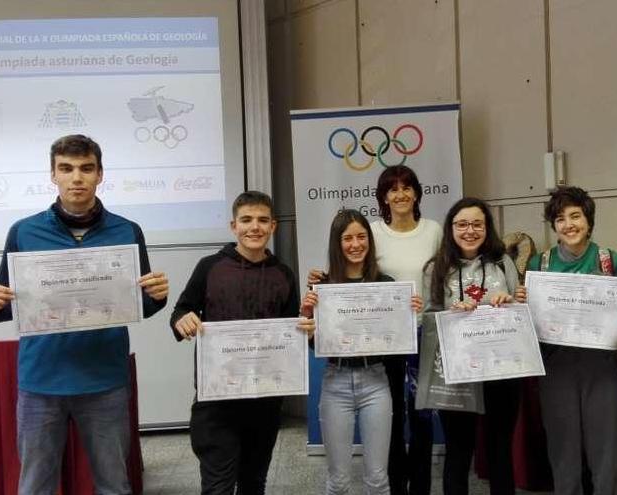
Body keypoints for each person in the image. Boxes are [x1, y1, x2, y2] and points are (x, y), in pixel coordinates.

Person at [0, 134, 170, 494]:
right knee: (35, 486)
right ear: (53, 175)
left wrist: (157, 298)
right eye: (66, 169)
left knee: (114, 485)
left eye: (86, 168)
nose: (76, 177)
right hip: (41, 381)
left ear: (100, 174)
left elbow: (139, 302)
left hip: (104, 379)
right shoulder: (23, 231)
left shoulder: (127, 230)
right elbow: (6, 305)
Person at [310, 165, 442, 495]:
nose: (400, 194)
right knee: (393, 421)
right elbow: (350, 282)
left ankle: (420, 488)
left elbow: (441, 279)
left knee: (423, 419)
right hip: (384, 347)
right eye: (392, 189)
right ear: (383, 196)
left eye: (407, 187)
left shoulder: (434, 230)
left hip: (422, 334)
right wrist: (320, 291)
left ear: (416, 192)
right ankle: (396, 487)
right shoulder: (372, 231)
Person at [170, 190, 301, 495]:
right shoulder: (209, 267)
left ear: (273, 227)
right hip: (216, 402)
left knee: (254, 483)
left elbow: (289, 329)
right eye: (246, 220)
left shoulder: (284, 274)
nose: (254, 227)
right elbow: (181, 309)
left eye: (262, 220)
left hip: (265, 401)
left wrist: (304, 327)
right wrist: (182, 319)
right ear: (233, 226)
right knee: (218, 486)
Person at [515, 186, 617, 495]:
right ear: (553, 226)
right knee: (563, 450)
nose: (568, 225)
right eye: (560, 218)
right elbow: (530, 321)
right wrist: (521, 303)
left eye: (575, 216)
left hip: (602, 367)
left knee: (605, 451)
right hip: (556, 366)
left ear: (589, 220)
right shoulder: (539, 265)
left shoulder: (611, 261)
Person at [299, 209, 424, 494]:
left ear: (369, 240)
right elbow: (313, 344)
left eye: (361, 236)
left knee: (378, 479)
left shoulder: (387, 284)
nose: (355, 244)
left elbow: (398, 345)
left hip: (376, 381)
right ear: (337, 244)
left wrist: (407, 316)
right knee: (338, 480)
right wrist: (308, 320)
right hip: (336, 381)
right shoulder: (323, 287)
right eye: (347, 238)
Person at [422, 197, 521, 495]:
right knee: (458, 450)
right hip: (457, 373)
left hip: (500, 371)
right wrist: (450, 315)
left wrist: (510, 302)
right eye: (462, 224)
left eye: (477, 224)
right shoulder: (435, 268)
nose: (470, 230)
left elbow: (520, 308)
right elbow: (427, 319)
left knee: (499, 449)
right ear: (450, 228)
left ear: (487, 228)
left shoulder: (503, 263)